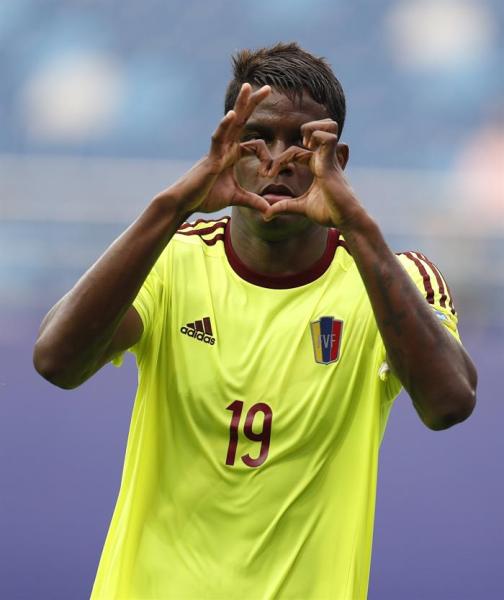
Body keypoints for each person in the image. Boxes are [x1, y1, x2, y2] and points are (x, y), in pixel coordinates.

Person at [33, 43, 477, 600]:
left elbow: (449, 403)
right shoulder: (172, 260)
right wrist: (173, 205)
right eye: (258, 137)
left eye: (303, 142)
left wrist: (359, 226)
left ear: (335, 161)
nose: (277, 159)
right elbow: (56, 361)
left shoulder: (393, 279)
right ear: (227, 150)